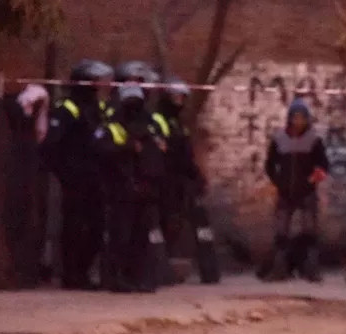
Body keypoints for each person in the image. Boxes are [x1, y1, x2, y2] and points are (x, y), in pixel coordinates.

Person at [41, 60, 114, 290]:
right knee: (74, 228)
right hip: (75, 180)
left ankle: (83, 272)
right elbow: (50, 146)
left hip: (96, 179)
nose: (99, 86)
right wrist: (65, 174)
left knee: (97, 228)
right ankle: (71, 276)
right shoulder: (68, 109)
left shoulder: (97, 108)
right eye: (95, 82)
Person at [94, 84, 170, 293]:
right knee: (120, 236)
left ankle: (140, 278)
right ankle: (118, 278)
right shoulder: (112, 126)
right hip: (121, 190)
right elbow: (100, 150)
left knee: (141, 237)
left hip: (146, 190)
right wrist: (127, 148)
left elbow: (159, 156)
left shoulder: (150, 126)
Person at [156, 78, 220, 284]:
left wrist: (196, 175)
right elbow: (167, 152)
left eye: (182, 97)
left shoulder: (178, 123)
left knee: (186, 224)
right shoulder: (159, 119)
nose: (179, 101)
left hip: (181, 180)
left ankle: (205, 270)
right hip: (165, 180)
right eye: (176, 97)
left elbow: (185, 153)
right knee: (166, 224)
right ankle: (162, 269)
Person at [262, 99, 330, 282]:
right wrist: (278, 182)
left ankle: (311, 271)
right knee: (281, 234)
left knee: (310, 233)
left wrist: (311, 181)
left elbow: (323, 166)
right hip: (285, 193)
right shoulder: (279, 139)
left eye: (302, 118)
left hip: (307, 193)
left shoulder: (314, 140)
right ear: (290, 119)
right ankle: (279, 270)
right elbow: (269, 165)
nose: (298, 121)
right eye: (295, 118)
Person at [4, 84, 52, 287]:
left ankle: (26, 272)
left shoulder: (35, 119)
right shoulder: (11, 112)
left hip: (30, 172)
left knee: (29, 218)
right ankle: (16, 271)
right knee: (17, 219)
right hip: (14, 173)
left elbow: (42, 133)